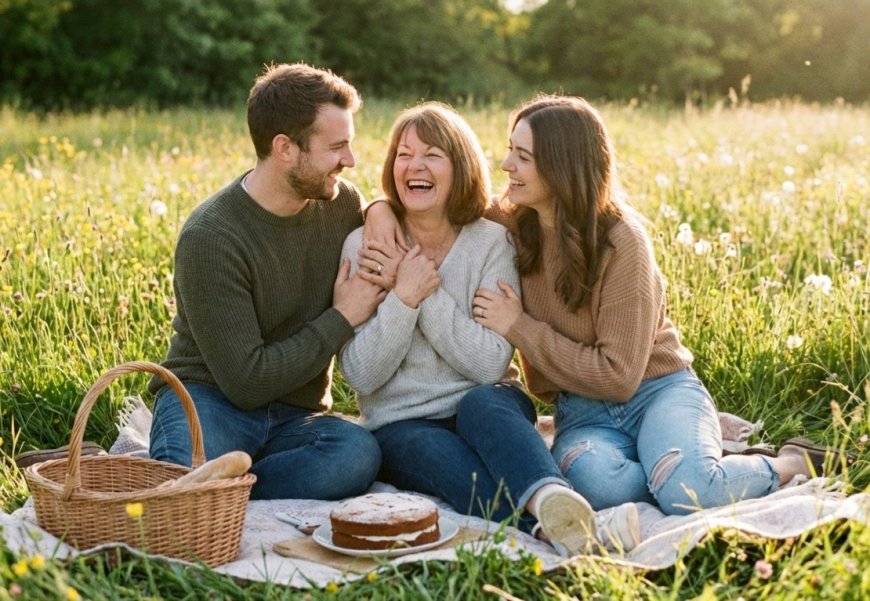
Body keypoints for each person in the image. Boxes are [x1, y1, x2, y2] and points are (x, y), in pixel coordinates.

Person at [466, 95, 825, 515]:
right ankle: (684, 466)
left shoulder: (622, 242)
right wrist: (379, 214)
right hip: (580, 411)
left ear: (563, 168)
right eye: (510, 149)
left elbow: (619, 377)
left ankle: (786, 462)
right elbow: (442, 205)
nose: (506, 164)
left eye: (522, 156)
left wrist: (519, 325)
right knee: (599, 490)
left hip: (657, 391)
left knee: (687, 493)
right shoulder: (510, 221)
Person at [341, 102, 638, 556]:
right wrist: (404, 298)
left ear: (460, 167)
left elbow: (486, 365)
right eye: (403, 154)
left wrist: (421, 291)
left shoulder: (491, 239)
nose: (414, 166)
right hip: (401, 421)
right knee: (442, 458)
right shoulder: (366, 244)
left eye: (433, 154)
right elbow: (361, 375)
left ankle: (550, 498)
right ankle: (556, 529)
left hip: (487, 401)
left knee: (485, 402)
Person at [148, 63, 384, 501]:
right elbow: (247, 382)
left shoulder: (341, 203)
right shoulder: (211, 237)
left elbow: (396, 220)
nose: (349, 160)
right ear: (285, 149)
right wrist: (344, 316)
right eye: (337, 147)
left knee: (356, 453)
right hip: (211, 399)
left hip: (298, 414)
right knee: (177, 490)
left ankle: (229, 491)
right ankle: (211, 489)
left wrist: (382, 210)